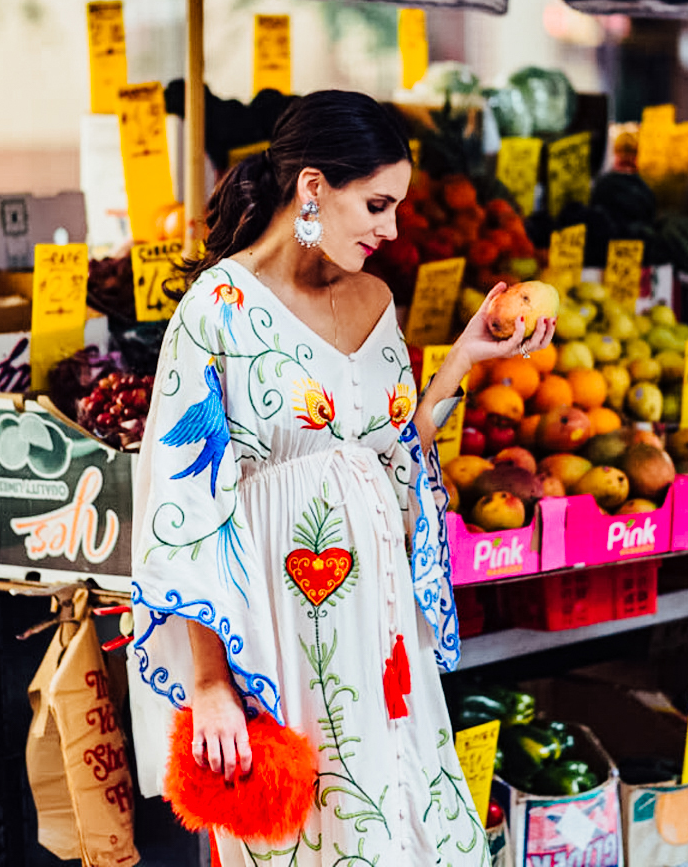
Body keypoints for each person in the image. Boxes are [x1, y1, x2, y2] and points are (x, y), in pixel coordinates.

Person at [130, 90, 555, 867]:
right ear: (314, 187)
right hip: (281, 631)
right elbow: (182, 506)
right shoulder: (214, 312)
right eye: (377, 204)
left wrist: (461, 361)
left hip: (381, 629)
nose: (390, 230)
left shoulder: (376, 300)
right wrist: (211, 684)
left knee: (415, 825)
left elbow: (390, 458)